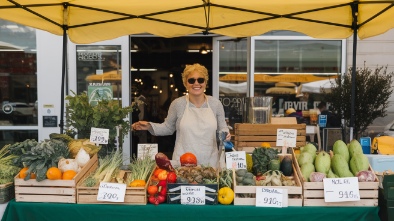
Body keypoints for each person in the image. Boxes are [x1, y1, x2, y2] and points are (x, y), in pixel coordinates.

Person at [132, 63, 231, 167]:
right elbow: (168, 128)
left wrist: (226, 134)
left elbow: (222, 129)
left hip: (210, 164)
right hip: (183, 165)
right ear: (185, 83)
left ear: (205, 82)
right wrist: (149, 126)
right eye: (191, 80)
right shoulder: (178, 104)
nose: (196, 83)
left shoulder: (215, 104)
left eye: (200, 80)